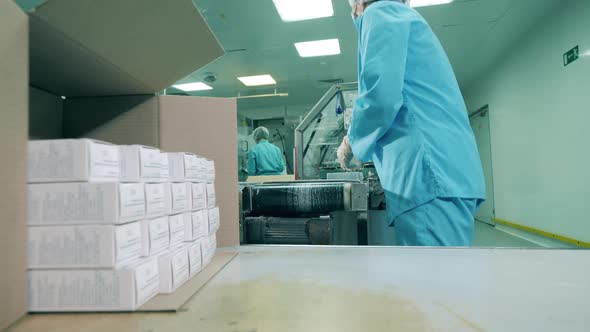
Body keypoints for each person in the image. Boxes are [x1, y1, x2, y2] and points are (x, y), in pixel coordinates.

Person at [338, 0, 486, 246]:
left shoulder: (382, 12)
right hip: (440, 175)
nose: (352, 10)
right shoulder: (403, 17)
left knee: (434, 281)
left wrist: (350, 142)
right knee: (446, 278)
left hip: (427, 175)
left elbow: (380, 97)